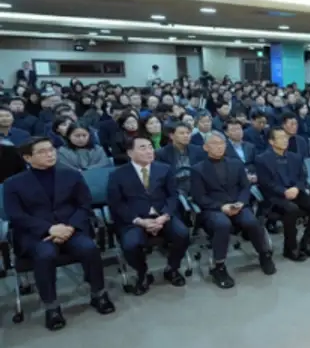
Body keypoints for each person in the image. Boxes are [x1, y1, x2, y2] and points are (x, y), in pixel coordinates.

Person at [2, 137, 115, 330]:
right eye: (42, 152)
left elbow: (84, 204)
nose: (50, 154)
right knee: (45, 254)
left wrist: (70, 227)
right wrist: (48, 229)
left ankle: (99, 294)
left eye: (51, 150)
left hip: (71, 228)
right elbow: (16, 215)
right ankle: (52, 307)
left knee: (89, 248)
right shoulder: (13, 184)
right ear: (27, 158)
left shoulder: (71, 175)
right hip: (37, 234)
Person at [190, 132, 276, 288]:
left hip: (238, 204)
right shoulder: (198, 169)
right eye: (214, 144)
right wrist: (221, 207)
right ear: (205, 147)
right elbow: (199, 197)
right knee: (222, 224)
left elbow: (245, 187)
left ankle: (264, 254)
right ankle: (219, 266)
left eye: (222, 144)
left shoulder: (236, 163)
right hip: (213, 209)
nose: (219, 147)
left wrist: (241, 203)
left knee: (251, 221)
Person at [107, 136, 190, 294]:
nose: (149, 151)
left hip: (162, 216)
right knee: (130, 245)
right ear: (130, 153)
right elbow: (117, 204)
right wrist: (140, 221)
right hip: (135, 219)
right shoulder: (117, 175)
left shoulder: (164, 169)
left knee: (182, 234)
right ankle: (143, 273)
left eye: (150, 147)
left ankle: (172, 268)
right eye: (143, 148)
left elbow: (173, 196)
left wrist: (164, 216)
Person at [255, 127, 310, 261]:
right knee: (292, 209)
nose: (285, 140)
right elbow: (265, 183)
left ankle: (307, 241)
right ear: (271, 142)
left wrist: (297, 188)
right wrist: (284, 191)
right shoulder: (262, 159)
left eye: (286, 137)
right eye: (281, 138)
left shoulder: (295, 157)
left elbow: (302, 177)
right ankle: (290, 248)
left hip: (295, 191)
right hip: (275, 196)